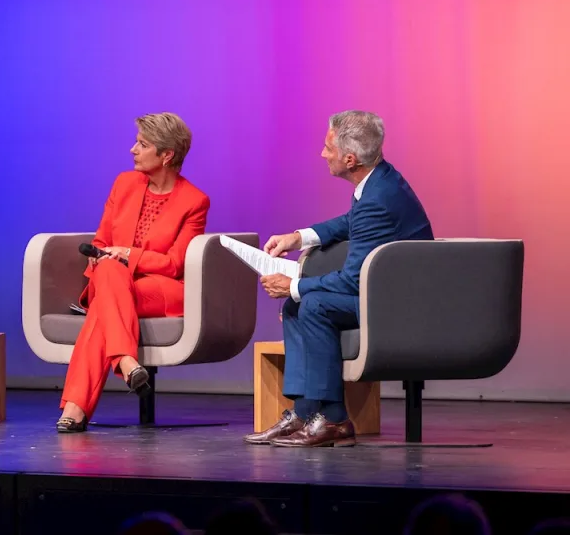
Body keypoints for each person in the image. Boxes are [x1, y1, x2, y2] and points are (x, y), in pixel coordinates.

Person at [246, 110, 433, 447]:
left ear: (349, 159)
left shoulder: (378, 198)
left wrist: (294, 285)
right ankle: (305, 412)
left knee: (313, 303)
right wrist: (298, 237)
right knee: (295, 306)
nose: (322, 154)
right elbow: (351, 221)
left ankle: (333, 419)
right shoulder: (379, 181)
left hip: (399, 306)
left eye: (327, 148)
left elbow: (352, 281)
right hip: (384, 294)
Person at [56, 112, 210, 432]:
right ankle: (126, 362)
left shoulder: (194, 201)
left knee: (104, 306)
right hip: (112, 280)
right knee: (110, 271)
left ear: (166, 155)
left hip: (160, 287)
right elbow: (101, 241)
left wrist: (128, 255)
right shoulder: (124, 184)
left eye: (142, 144)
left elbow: (175, 264)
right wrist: (104, 258)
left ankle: (77, 405)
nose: (132, 150)